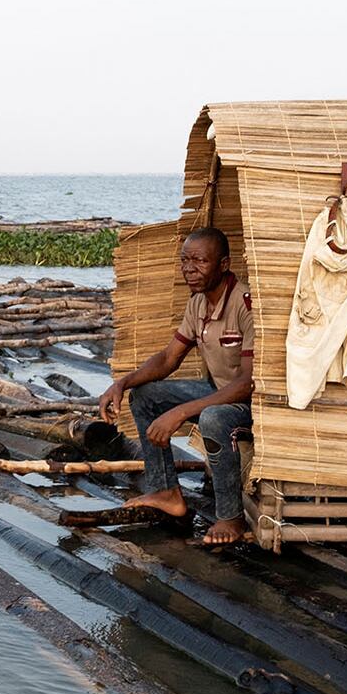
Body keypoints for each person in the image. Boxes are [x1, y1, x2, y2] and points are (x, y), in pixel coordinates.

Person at [97, 227, 256, 545]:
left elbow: (248, 383)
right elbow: (169, 358)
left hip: (250, 403)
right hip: (218, 394)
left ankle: (231, 517)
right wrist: (122, 383)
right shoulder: (198, 304)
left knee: (213, 417)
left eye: (200, 261)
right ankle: (166, 491)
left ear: (223, 264)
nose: (189, 269)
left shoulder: (245, 303)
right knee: (145, 396)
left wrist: (182, 412)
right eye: (185, 260)